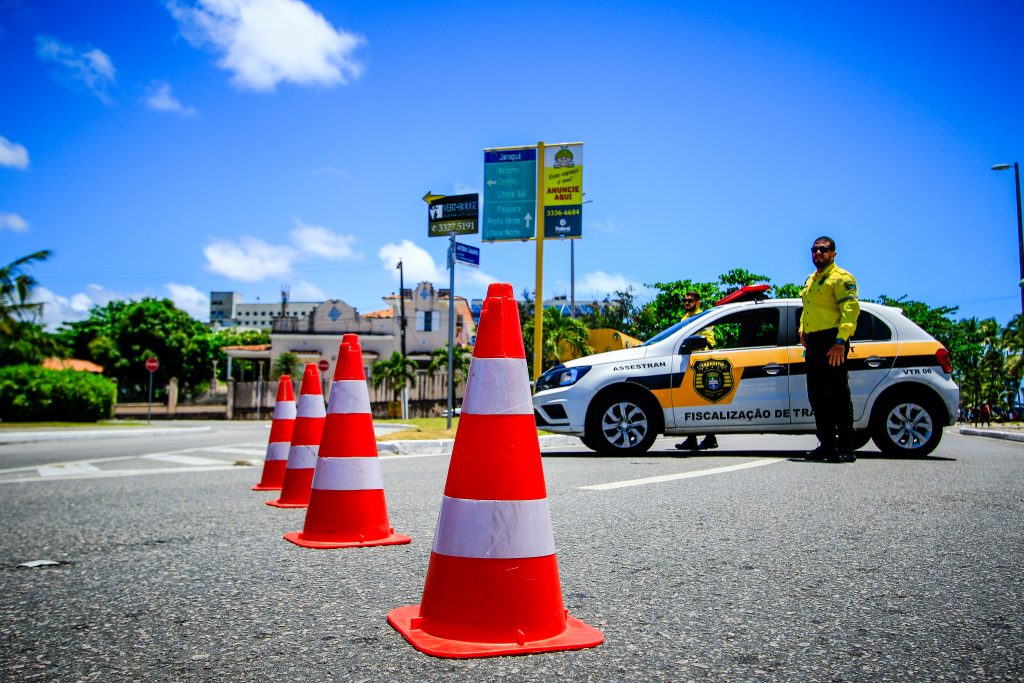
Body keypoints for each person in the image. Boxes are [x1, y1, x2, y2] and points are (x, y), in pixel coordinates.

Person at [799, 236, 860, 463]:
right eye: (814, 250)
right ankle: (826, 445)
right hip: (814, 343)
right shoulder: (811, 280)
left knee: (838, 396)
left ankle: (846, 448)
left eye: (823, 250)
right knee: (817, 396)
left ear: (833, 253)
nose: (818, 253)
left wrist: (840, 342)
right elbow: (807, 308)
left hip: (833, 342)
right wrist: (802, 330)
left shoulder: (841, 279)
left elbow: (850, 311)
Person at [676, 291, 718, 451]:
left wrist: (702, 352)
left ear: (698, 302)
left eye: (690, 300)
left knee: (703, 400)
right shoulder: (685, 318)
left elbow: (708, 338)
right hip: (688, 362)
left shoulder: (702, 317)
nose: (686, 302)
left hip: (700, 362)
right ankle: (692, 438)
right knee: (690, 401)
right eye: (685, 300)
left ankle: (710, 437)